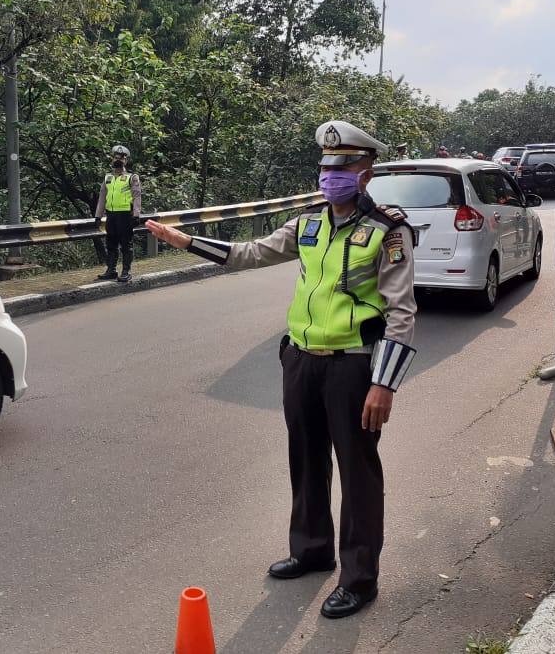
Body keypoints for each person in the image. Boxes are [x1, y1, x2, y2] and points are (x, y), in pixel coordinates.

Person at [146, 120, 417, 620]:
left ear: (366, 173)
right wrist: (187, 243)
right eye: (326, 167)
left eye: (343, 167)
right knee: (306, 460)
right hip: (300, 360)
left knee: (358, 472)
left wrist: (385, 384)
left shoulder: (388, 230)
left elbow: (401, 312)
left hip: (354, 365)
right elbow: (249, 254)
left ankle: (359, 578)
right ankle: (312, 550)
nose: (331, 176)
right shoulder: (307, 224)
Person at [94, 144, 142, 283]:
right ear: (112, 159)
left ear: (126, 161)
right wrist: (98, 215)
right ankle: (111, 270)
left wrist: (136, 214)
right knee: (111, 244)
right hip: (111, 216)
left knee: (126, 244)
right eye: (116, 158)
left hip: (125, 216)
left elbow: (137, 196)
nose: (118, 160)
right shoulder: (107, 177)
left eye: (121, 158)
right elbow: (102, 197)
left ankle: (126, 271)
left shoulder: (131, 177)